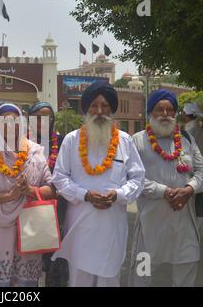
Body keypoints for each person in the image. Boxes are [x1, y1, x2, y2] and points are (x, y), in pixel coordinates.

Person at [51, 81, 146, 287]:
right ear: (86, 109)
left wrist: (119, 194)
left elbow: (138, 178)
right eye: (94, 105)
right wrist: (84, 194)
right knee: (80, 280)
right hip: (80, 226)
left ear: (112, 108)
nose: (100, 111)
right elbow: (59, 177)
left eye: (105, 106)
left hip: (112, 227)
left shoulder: (124, 140)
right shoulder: (71, 140)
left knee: (109, 279)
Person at [129, 90, 203, 287]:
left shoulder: (187, 139)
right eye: (159, 109)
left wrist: (189, 189)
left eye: (170, 110)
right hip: (150, 225)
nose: (165, 114)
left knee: (187, 268)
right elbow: (132, 178)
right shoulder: (137, 141)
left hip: (183, 224)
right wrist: (164, 191)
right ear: (150, 113)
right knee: (142, 274)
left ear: (175, 114)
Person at [0, 103, 55, 287]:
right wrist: (9, 195)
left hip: (29, 228)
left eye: (14, 120)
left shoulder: (35, 152)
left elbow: (51, 188)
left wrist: (31, 191)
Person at [27, 101, 68, 287]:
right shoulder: (20, 142)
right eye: (38, 117)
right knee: (28, 259)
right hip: (27, 206)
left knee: (56, 262)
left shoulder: (63, 142)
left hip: (58, 209)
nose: (43, 121)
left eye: (48, 117)